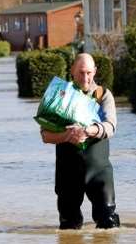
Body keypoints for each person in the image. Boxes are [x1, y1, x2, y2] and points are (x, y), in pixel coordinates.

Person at [40, 53, 120, 230]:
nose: (86, 77)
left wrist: (87, 131)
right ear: (72, 71)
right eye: (81, 72)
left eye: (89, 73)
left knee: (109, 224)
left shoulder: (104, 95)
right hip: (67, 172)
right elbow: (45, 135)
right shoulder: (59, 96)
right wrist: (68, 135)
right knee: (69, 227)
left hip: (99, 172)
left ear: (95, 72)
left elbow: (111, 126)